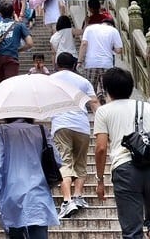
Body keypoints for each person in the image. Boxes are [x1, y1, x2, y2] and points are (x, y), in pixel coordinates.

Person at [94, 68, 150, 238]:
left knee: (132, 230)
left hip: (125, 170)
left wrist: (100, 180)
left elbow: (101, 148)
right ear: (130, 87)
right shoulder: (146, 107)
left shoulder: (103, 111)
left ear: (107, 90)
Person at [0, 117, 61, 238]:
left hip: (12, 195)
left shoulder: (3, 131)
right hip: (38, 193)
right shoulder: (42, 130)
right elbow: (57, 160)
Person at [51, 52, 100, 220]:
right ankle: (78, 196)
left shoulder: (51, 80)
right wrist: (103, 127)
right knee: (80, 162)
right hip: (82, 126)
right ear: (73, 65)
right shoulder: (83, 81)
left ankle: (67, 201)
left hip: (61, 124)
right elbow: (94, 103)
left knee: (64, 161)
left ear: (57, 64)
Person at [80, 17, 123, 103]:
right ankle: (108, 107)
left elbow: (84, 44)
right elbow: (119, 50)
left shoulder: (89, 28)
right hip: (107, 64)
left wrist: (79, 61)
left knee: (90, 90)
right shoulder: (113, 30)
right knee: (107, 89)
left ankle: (92, 109)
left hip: (91, 64)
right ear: (112, 25)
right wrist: (110, 47)